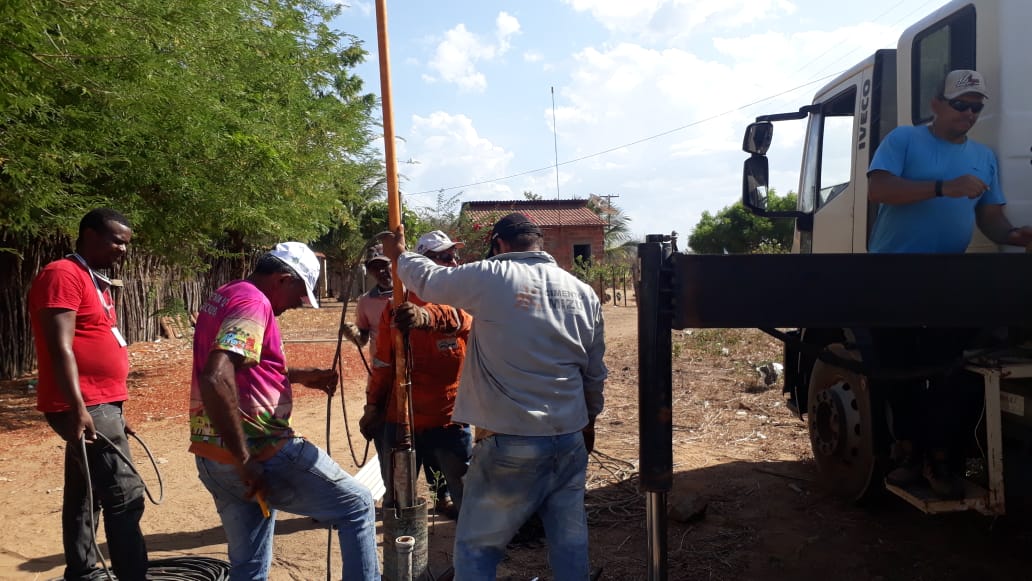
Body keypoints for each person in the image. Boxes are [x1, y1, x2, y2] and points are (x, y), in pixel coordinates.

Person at [380, 214, 607, 581]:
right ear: (540, 243)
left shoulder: (494, 275)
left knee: (477, 547)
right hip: (568, 438)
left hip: (511, 439)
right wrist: (589, 422)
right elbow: (594, 373)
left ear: (499, 244)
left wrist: (400, 255)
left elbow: (430, 280)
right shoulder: (582, 292)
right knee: (569, 541)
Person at [867, 69, 1032, 499]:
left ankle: (942, 463)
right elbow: (880, 190)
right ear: (936, 105)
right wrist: (944, 187)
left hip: (947, 277)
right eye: (961, 104)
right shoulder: (904, 140)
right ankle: (906, 454)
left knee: (948, 371)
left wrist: (1015, 237)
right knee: (897, 369)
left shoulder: (984, 156)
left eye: (977, 107)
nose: (969, 113)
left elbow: (990, 216)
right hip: (892, 274)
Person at [189, 241, 379, 581]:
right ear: (281, 278)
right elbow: (216, 376)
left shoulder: (227, 294)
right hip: (260, 451)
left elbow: (242, 367)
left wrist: (301, 376)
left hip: (212, 454)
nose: (297, 304)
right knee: (357, 505)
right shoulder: (253, 303)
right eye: (300, 292)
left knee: (249, 564)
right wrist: (246, 459)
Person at [29, 208, 149, 581]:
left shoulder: (91, 277)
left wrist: (114, 408)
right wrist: (80, 408)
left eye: (126, 244)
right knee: (125, 495)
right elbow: (60, 346)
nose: (122, 250)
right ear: (88, 234)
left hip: (101, 403)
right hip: (86, 403)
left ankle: (82, 570)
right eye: (116, 241)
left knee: (87, 493)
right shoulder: (62, 274)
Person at [360, 230, 473, 520]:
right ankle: (402, 554)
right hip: (401, 421)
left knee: (466, 495)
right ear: (422, 265)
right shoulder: (394, 309)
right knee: (399, 502)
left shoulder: (461, 302)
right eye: (445, 257)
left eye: (454, 256)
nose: (454, 263)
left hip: (449, 420)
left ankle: (454, 523)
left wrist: (427, 318)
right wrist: (373, 406)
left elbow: (461, 320)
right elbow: (383, 364)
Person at [343, 248, 393, 350]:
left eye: (384, 265)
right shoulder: (365, 301)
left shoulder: (412, 293)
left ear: (395, 264)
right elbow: (363, 340)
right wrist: (354, 335)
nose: (381, 271)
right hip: (381, 362)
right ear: (370, 272)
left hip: (411, 362)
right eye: (375, 268)